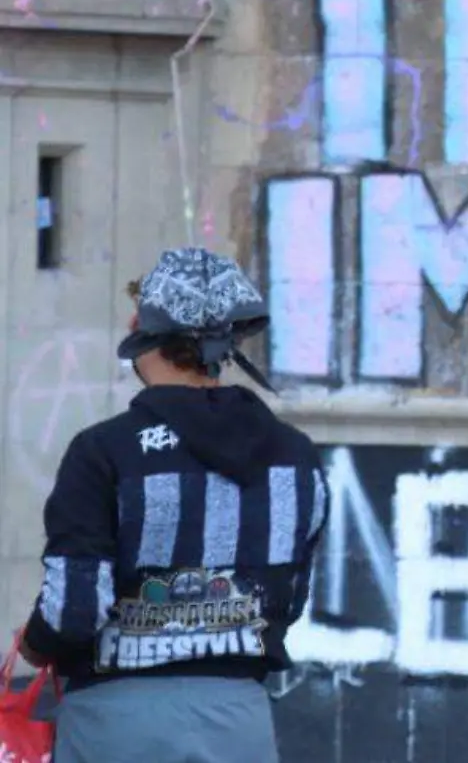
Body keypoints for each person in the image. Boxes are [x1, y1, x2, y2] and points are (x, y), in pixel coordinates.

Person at [18, 247, 327, 763]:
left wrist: (30, 647)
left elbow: (73, 610)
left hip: (114, 722)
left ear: (141, 329)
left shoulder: (103, 451)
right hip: (239, 719)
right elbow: (289, 600)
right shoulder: (294, 455)